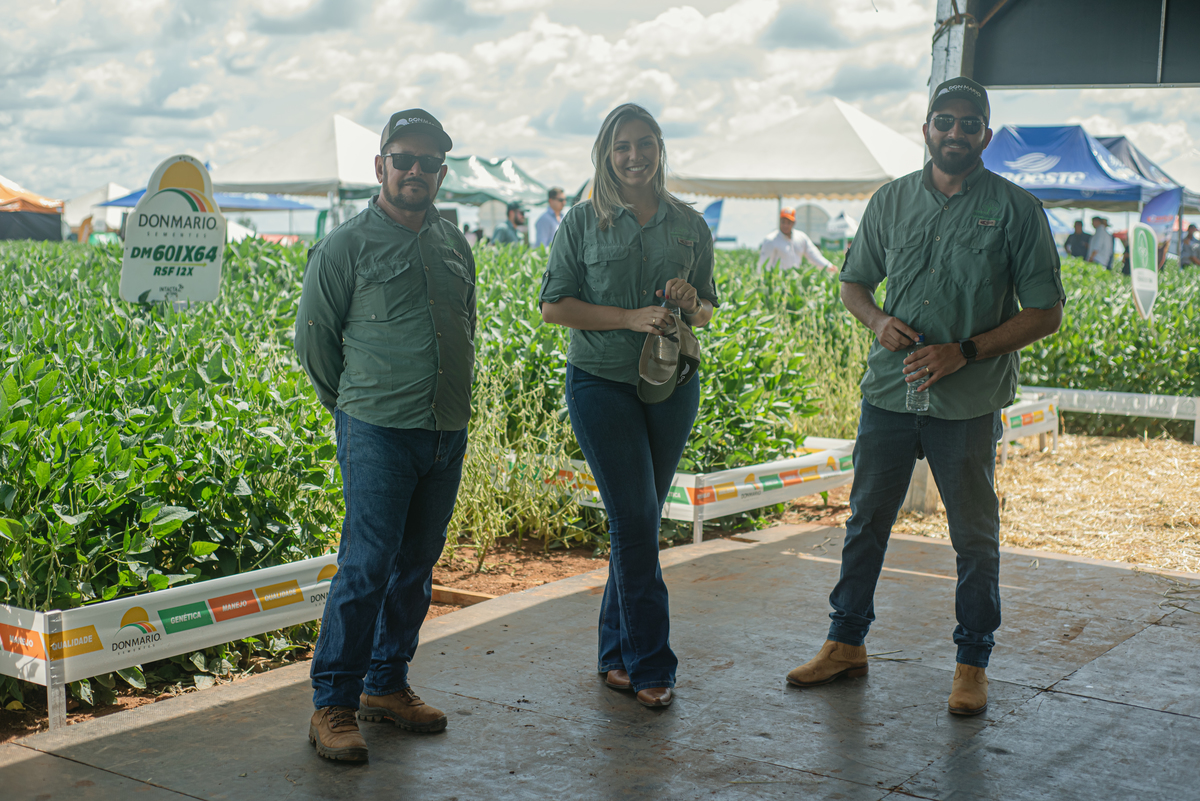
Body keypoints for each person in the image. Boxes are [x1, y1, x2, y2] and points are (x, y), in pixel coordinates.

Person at [786, 77, 1064, 717]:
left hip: (966, 402)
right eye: (945, 121)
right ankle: (845, 643)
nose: (955, 132)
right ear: (927, 129)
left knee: (973, 537)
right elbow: (854, 284)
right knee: (865, 523)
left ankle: (972, 664)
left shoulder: (1017, 210)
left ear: (985, 136)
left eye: (969, 124)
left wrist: (964, 350)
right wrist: (878, 320)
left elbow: (1046, 312)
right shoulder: (891, 201)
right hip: (890, 393)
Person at [295, 108, 476, 762]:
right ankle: (333, 703)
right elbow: (315, 342)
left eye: (429, 162)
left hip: (444, 429)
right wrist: (355, 407)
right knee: (367, 565)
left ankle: (386, 683)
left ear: (441, 173)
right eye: (404, 159)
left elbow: (466, 323)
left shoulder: (454, 244)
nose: (415, 170)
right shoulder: (344, 246)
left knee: (417, 566)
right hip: (376, 429)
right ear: (381, 166)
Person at [539, 103, 719, 709]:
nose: (634, 156)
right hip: (601, 382)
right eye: (622, 146)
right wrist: (628, 318)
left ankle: (615, 654)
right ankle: (650, 664)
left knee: (639, 518)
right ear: (605, 154)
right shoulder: (582, 222)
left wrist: (690, 304)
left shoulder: (690, 225)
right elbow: (554, 306)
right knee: (636, 519)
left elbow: (706, 311)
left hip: (672, 383)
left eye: (645, 143)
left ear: (660, 148)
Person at [758, 207, 836, 274]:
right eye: (783, 222)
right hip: (778, 282)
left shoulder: (801, 237)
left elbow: (813, 255)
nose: (785, 225)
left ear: (794, 223)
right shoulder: (771, 240)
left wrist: (828, 266)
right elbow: (764, 264)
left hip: (795, 281)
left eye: (788, 222)